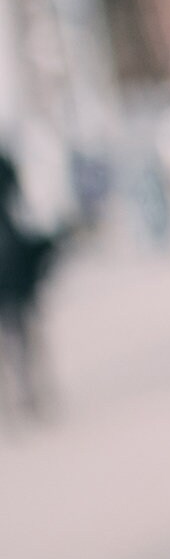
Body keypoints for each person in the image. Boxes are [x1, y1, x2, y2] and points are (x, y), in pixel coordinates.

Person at [0, 147, 59, 426]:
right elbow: (21, 202)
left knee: (16, 331)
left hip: (9, 255)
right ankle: (28, 392)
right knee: (23, 328)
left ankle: (21, 396)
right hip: (11, 253)